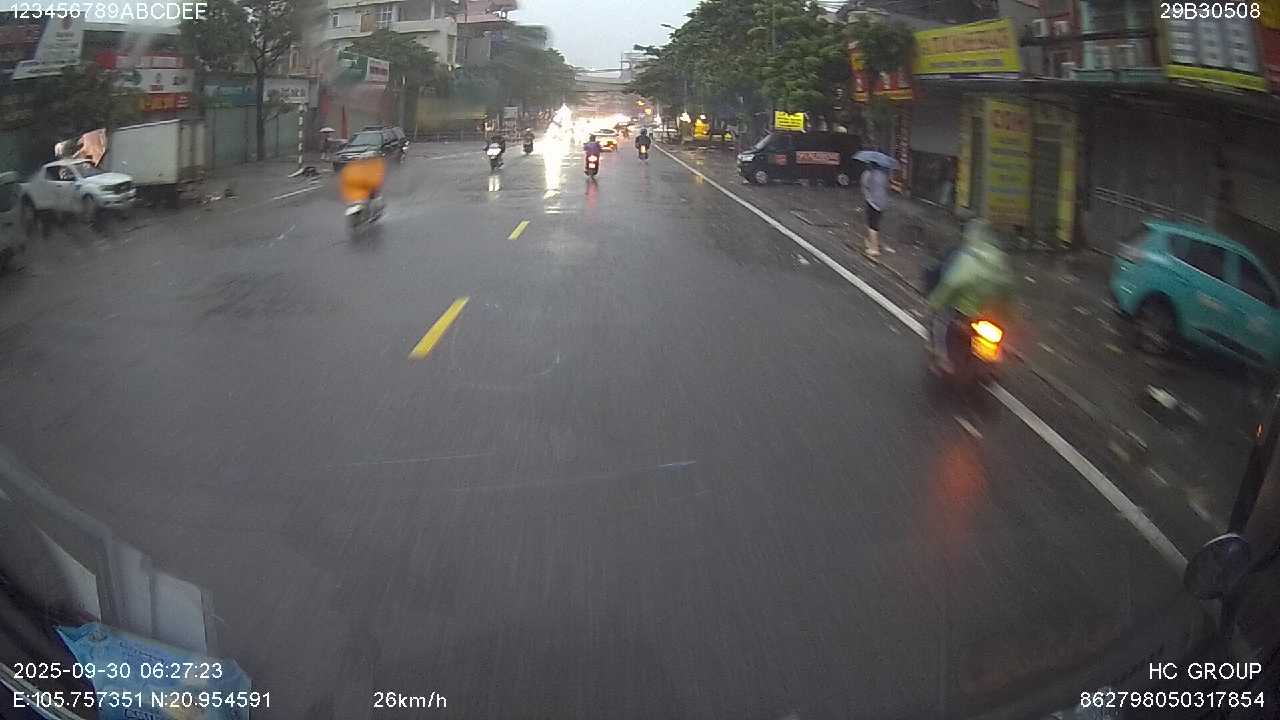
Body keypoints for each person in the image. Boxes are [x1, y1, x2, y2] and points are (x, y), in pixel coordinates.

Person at [926, 218, 1014, 373]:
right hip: (990, 311)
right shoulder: (997, 257)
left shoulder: (968, 258)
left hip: (966, 311)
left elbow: (952, 284)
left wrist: (935, 303)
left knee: (940, 320)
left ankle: (941, 356)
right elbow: (1008, 286)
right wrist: (1009, 313)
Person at [859, 160, 890, 257]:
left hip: (872, 202)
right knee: (876, 223)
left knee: (872, 225)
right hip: (882, 202)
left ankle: (874, 248)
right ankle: (871, 242)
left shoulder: (867, 174)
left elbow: (864, 186)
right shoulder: (883, 175)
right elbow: (887, 187)